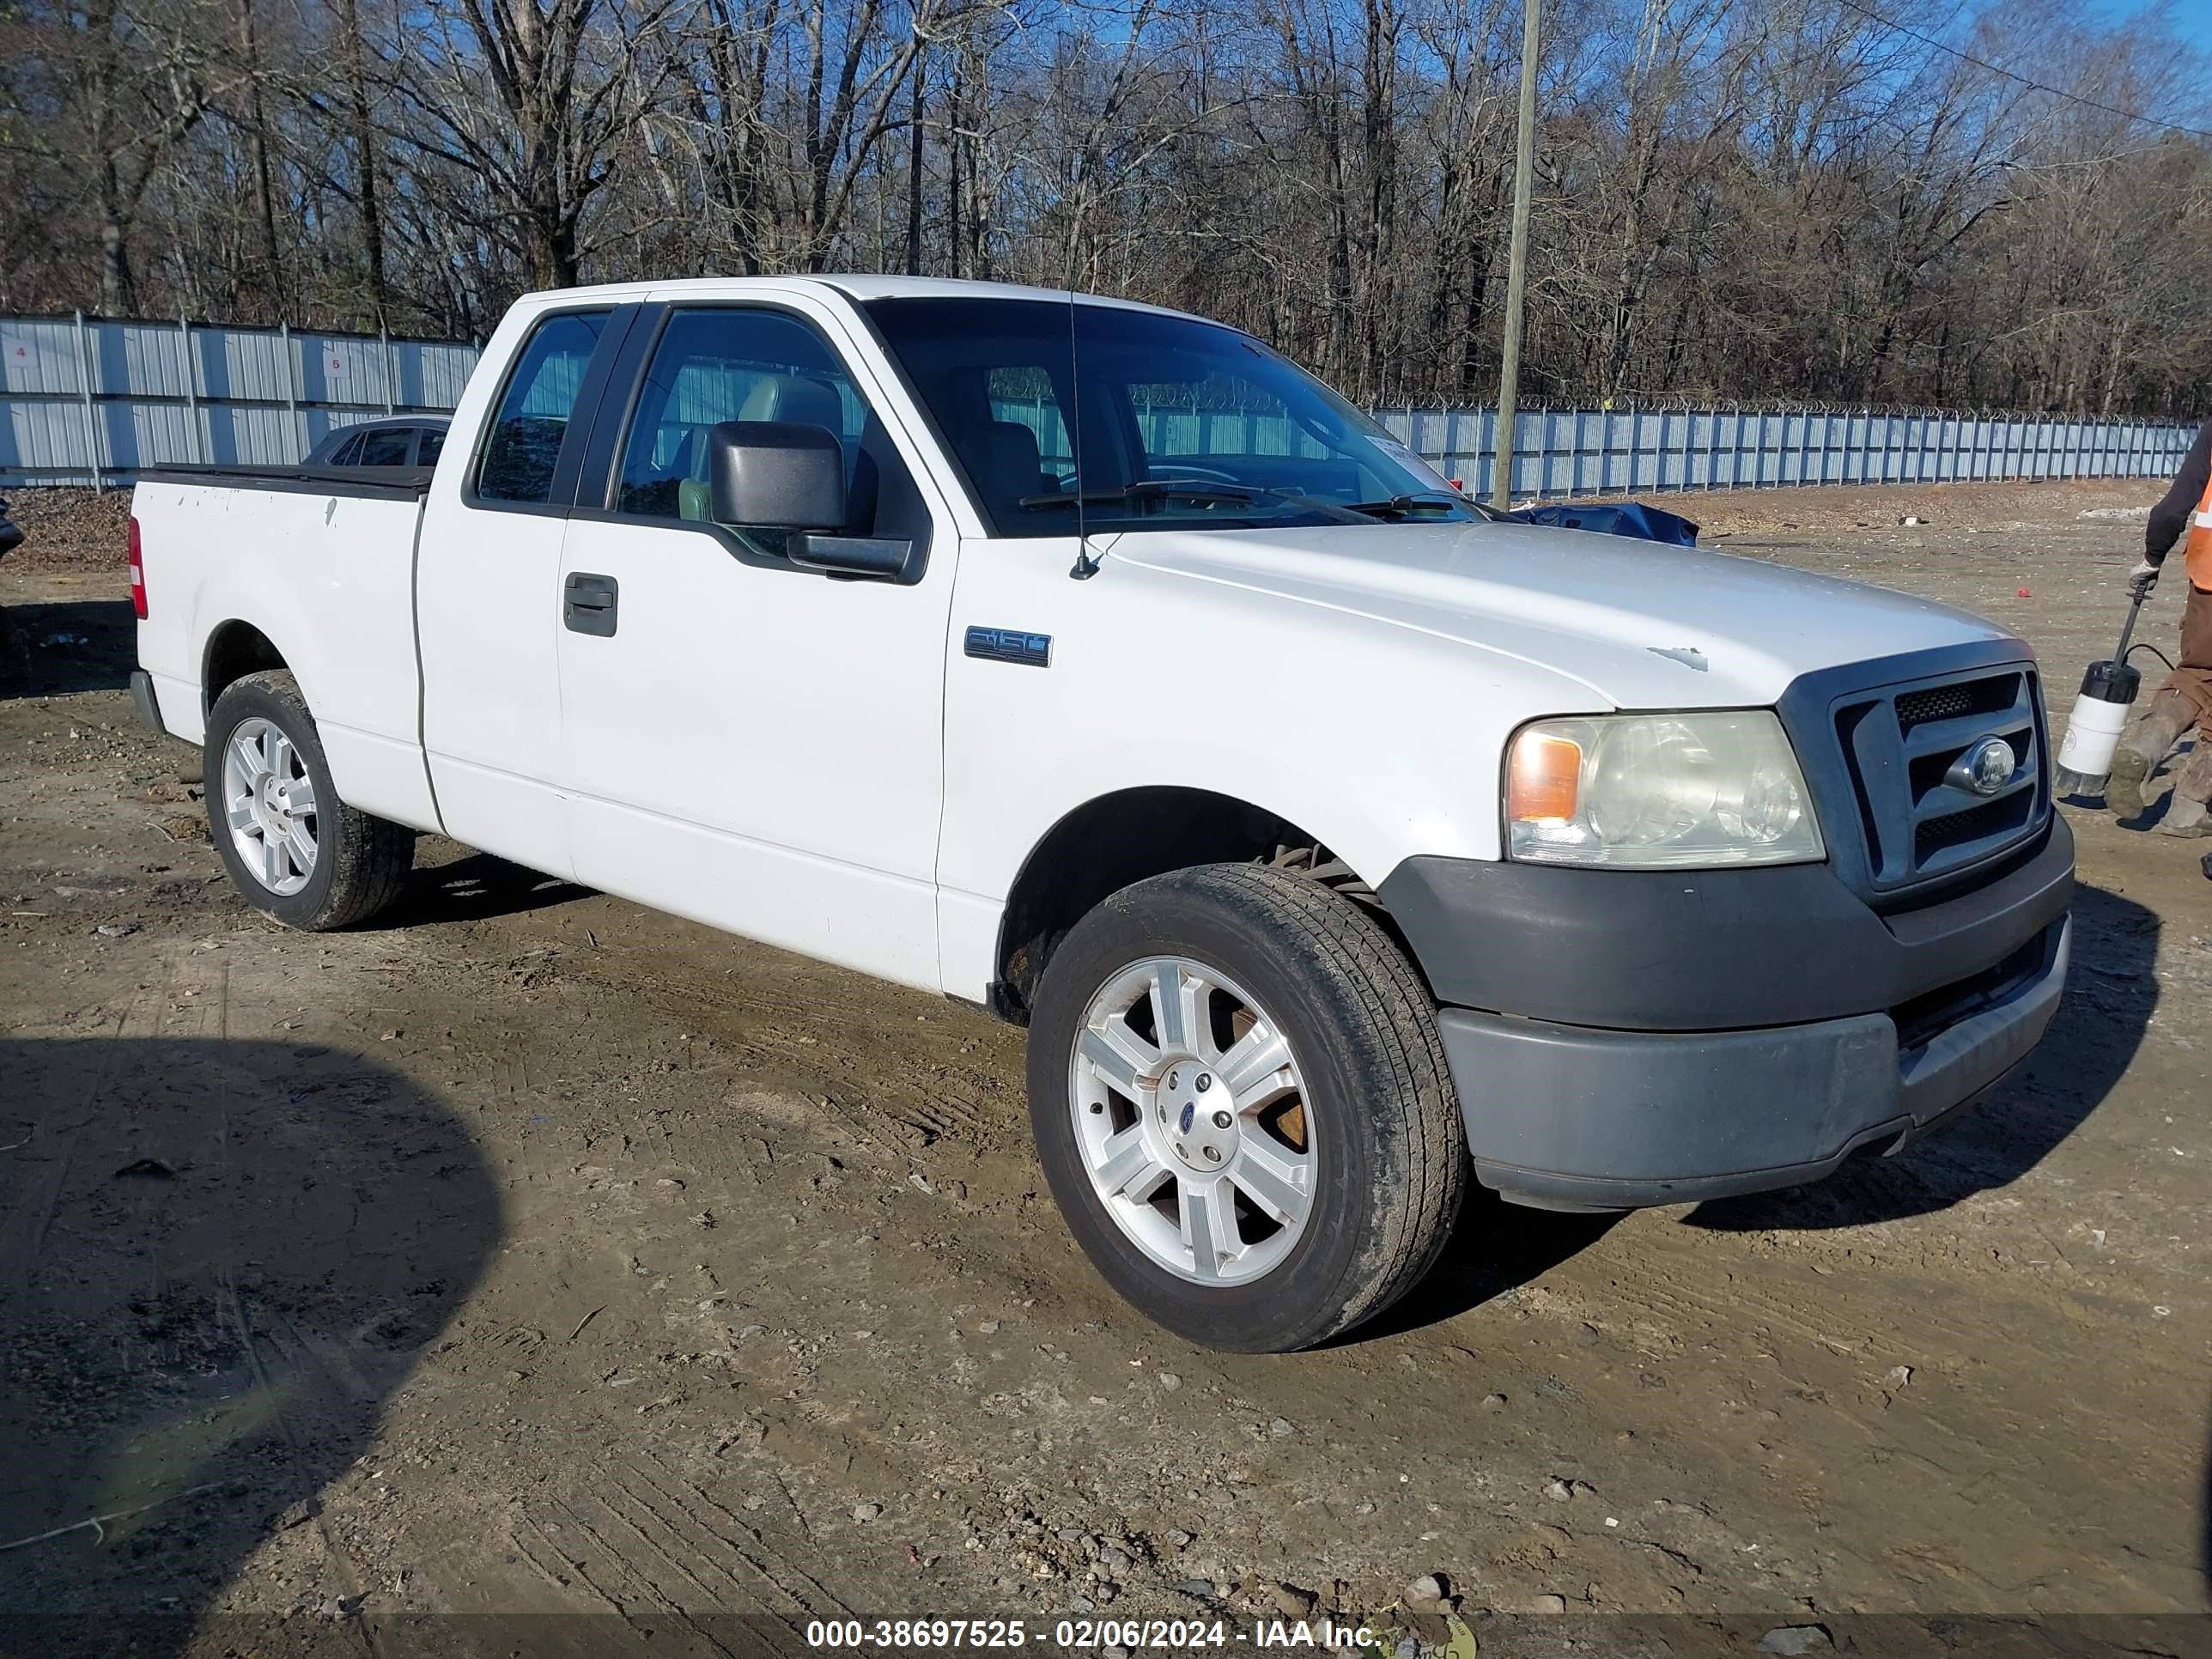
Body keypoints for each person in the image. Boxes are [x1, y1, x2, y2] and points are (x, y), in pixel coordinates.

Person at [2107, 416, 2212, 836]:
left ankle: (2143, 745)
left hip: (2208, 574)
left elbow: (2172, 510)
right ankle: (2188, 808)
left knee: (2198, 673)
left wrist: (2152, 558)